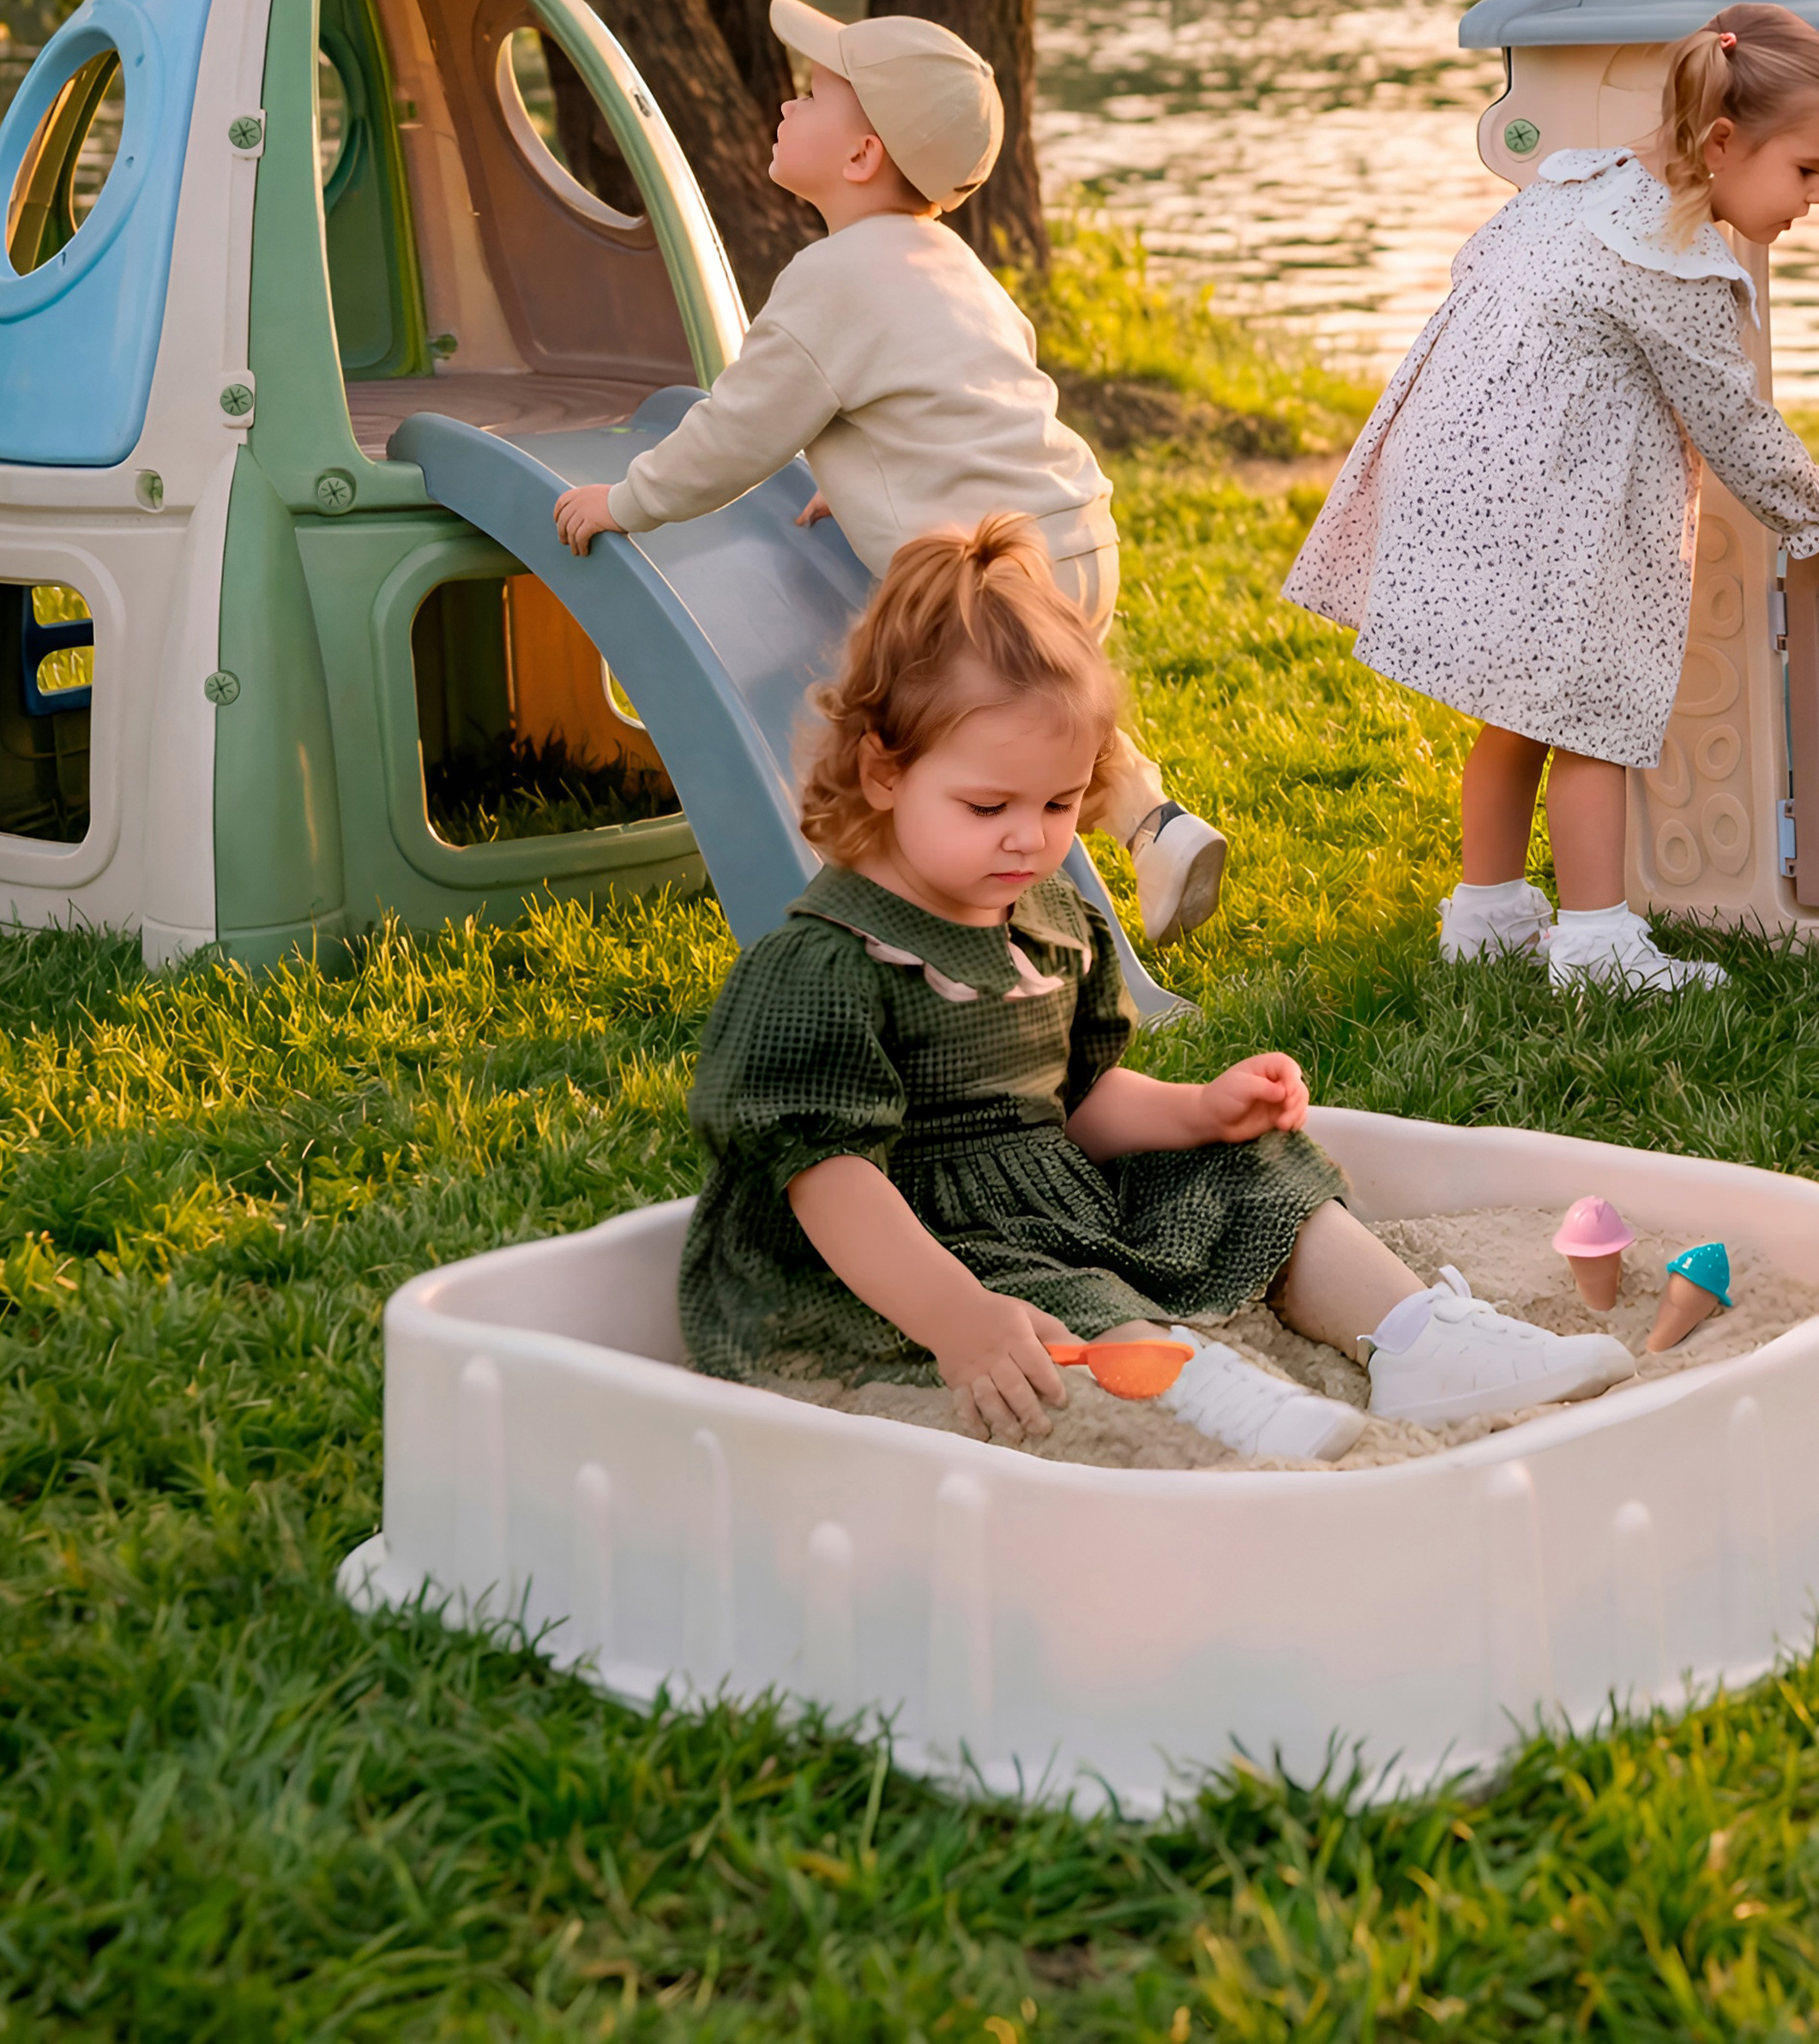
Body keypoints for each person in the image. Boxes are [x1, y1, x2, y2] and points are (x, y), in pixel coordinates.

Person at [676, 519, 1635, 1455]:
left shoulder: (1049, 918)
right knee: (1050, 1294)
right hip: (905, 1246)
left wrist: (1197, 1111)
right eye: (987, 805)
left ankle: (1417, 1337)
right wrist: (957, 1316)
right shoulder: (829, 964)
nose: (1029, 835)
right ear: (883, 772)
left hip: (1048, 1189)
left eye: (1058, 803)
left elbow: (1078, 1096)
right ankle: (1199, 1389)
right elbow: (828, 1180)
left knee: (1256, 1173)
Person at [550, 0, 1228, 945]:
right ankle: (1157, 827)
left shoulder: (830, 277)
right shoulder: (950, 261)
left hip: (983, 567)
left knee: (917, 728)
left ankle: (929, 904)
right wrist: (868, 476)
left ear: (862, 155)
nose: (788, 103)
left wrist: (628, 499)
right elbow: (959, 398)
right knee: (1032, 702)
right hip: (1072, 529)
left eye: (814, 92)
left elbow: (738, 431)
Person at [1284, 2, 1819, 990]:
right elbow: (1737, 427)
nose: (1818, 195)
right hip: (1548, 499)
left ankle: (1485, 914)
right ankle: (1596, 943)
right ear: (1721, 141)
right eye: (1808, 169)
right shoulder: (1664, 260)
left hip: (1466, 469)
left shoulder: (1581, 187)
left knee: (1515, 708)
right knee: (1592, 715)